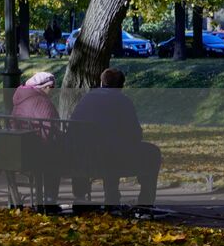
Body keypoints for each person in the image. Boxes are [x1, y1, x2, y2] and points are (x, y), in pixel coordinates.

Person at [69, 68, 161, 208]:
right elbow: (135, 134)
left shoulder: (87, 98)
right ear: (121, 85)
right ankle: (145, 202)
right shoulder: (123, 101)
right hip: (111, 157)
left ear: (101, 82)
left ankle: (81, 197)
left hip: (80, 155)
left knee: (109, 149)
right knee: (152, 153)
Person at [11, 71, 62, 209]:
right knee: (58, 157)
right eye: (52, 88)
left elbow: (13, 124)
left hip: (19, 149)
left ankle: (16, 199)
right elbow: (50, 130)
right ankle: (50, 200)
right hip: (38, 152)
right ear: (45, 87)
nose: (53, 91)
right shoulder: (43, 102)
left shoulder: (19, 99)